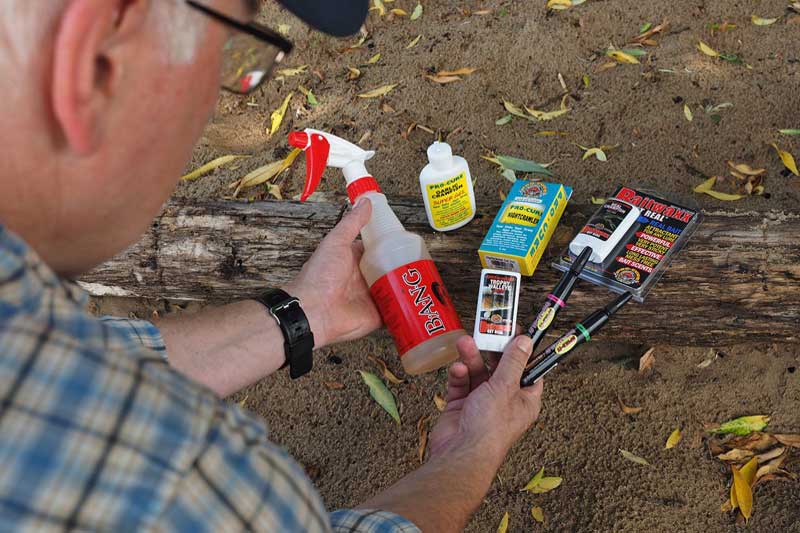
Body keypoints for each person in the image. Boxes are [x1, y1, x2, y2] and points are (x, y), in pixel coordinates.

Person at [0, 0, 544, 531]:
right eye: (227, 57)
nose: (211, 109)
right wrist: (476, 449)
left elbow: (103, 363)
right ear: (94, 59)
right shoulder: (179, 485)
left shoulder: (27, 336)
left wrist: (305, 311)